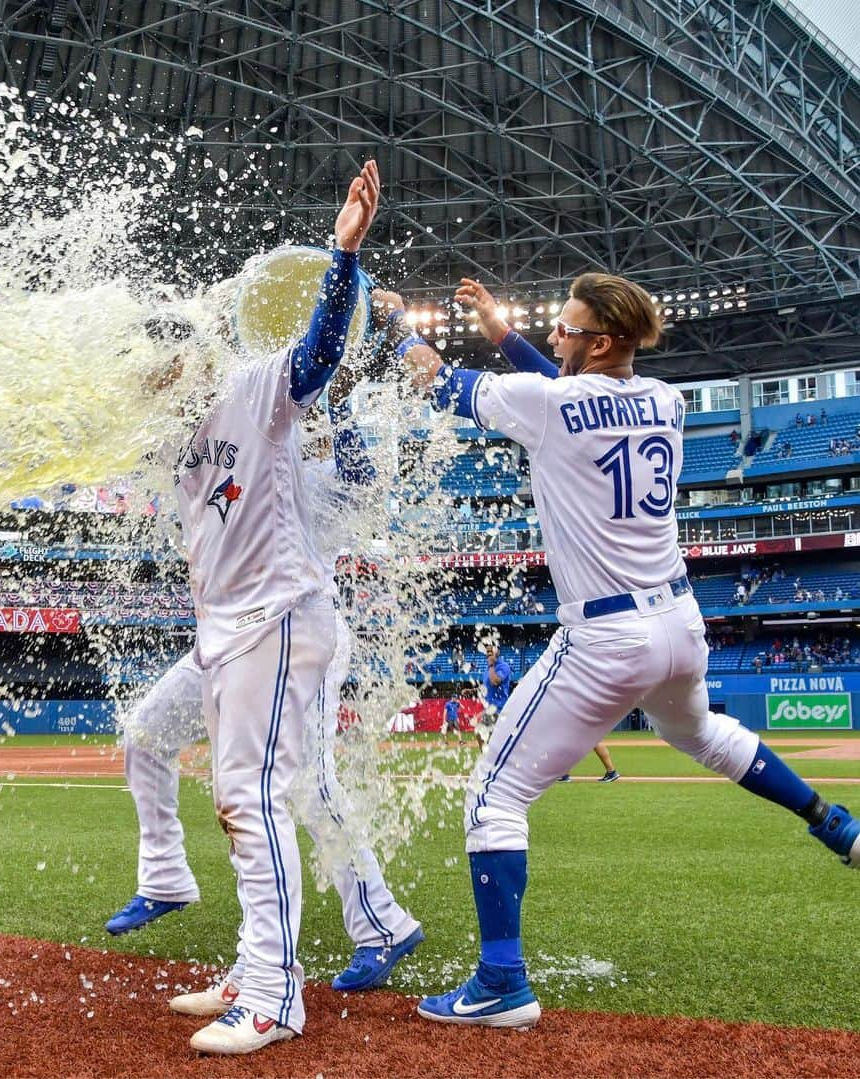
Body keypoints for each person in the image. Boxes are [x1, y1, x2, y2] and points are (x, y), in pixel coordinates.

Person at [388, 271, 858, 1032]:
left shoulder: (554, 404)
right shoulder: (667, 400)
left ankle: (502, 978)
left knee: (493, 798)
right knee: (699, 732)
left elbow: (438, 383)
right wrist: (501, 332)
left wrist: (396, 325)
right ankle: (834, 823)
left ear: (600, 340)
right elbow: (573, 395)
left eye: (567, 330)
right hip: (679, 621)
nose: (555, 338)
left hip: (605, 636)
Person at [104, 367, 421, 1015]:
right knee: (147, 732)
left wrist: (334, 398)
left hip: (297, 635)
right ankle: (164, 877)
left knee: (312, 784)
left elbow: (363, 480)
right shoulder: (235, 443)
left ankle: (383, 923)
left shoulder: (313, 477)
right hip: (225, 638)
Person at [163, 160, 382, 1055]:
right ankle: (256, 969)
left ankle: (276, 995)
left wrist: (342, 256)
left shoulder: (255, 387)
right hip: (231, 629)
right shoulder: (177, 439)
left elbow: (320, 352)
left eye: (161, 357)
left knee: (253, 798)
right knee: (237, 801)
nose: (153, 373)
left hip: (279, 614)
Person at [478, 645, 512, 752]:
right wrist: (472, 690)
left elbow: (495, 682)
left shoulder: (503, 666)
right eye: (487, 651)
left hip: (499, 709)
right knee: (479, 734)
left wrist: (492, 665)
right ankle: (486, 758)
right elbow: (486, 686)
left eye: (491, 651)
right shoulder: (487, 670)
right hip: (489, 709)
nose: (488, 653)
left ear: (497, 652)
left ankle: (496, 760)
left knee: (494, 740)